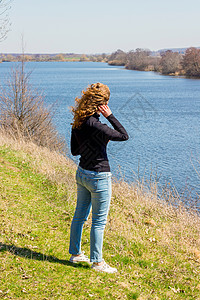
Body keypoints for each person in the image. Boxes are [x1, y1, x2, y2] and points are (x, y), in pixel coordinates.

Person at [69, 82, 129, 273]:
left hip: (82, 173)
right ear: (102, 104)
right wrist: (109, 116)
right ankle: (97, 262)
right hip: (99, 177)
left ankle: (76, 254)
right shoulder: (98, 125)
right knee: (98, 222)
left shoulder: (79, 122)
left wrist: (93, 143)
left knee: (79, 216)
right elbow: (124, 135)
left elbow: (74, 150)